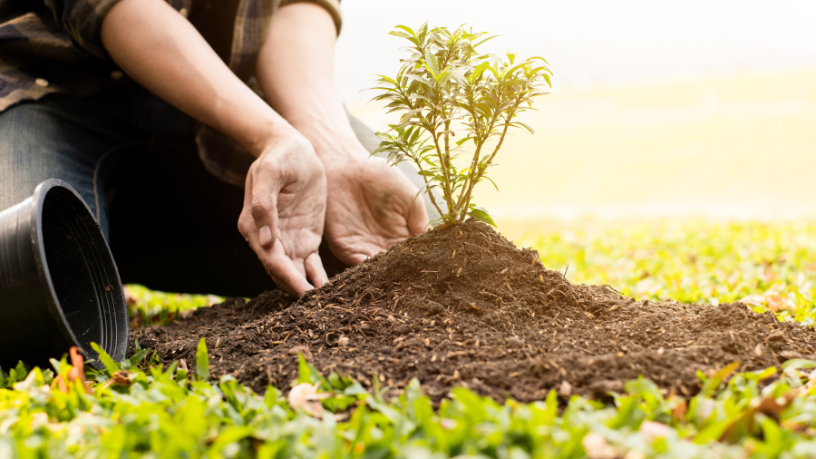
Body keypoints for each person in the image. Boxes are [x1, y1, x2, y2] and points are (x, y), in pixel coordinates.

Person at [0, 0, 430, 298]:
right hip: (50, 86)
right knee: (26, 283)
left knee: (412, 245)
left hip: (238, 91)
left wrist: (330, 147)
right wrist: (269, 134)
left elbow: (293, 6)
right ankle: (98, 239)